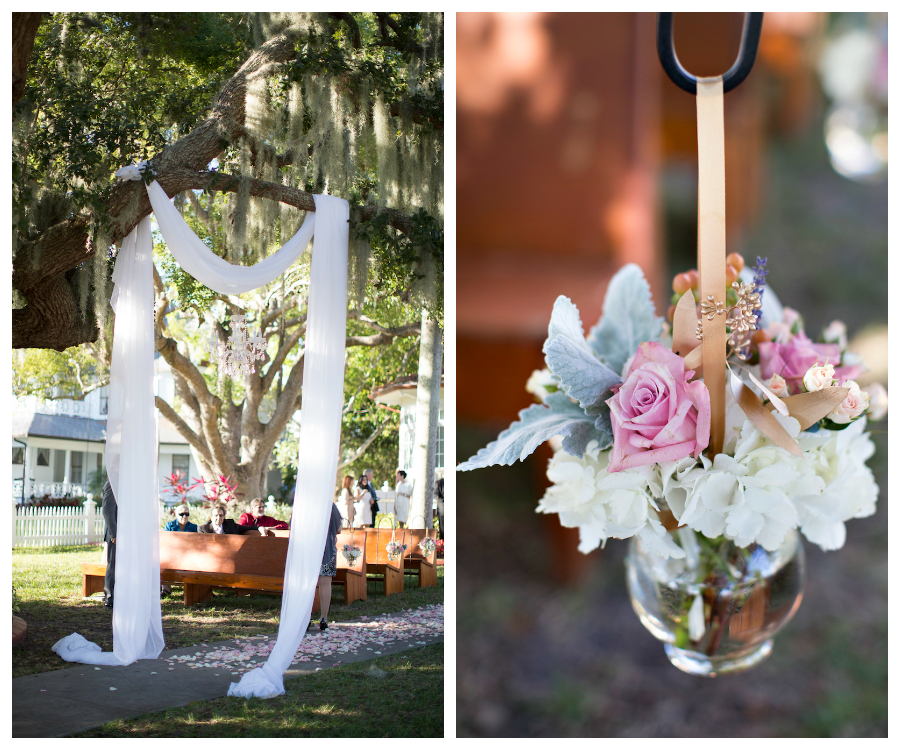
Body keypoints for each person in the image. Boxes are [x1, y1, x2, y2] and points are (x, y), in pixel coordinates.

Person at [313, 500, 344, 631]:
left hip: (307, 551)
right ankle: (323, 619)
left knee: (308, 583)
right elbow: (338, 529)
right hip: (326, 549)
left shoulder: (304, 503)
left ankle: (304, 618)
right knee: (325, 583)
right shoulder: (329, 505)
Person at [101, 478, 117, 608]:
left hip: (125, 531)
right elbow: (107, 510)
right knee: (113, 563)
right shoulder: (112, 483)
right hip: (115, 532)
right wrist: (114, 533)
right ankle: (109, 597)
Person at [435, 476, 444, 540]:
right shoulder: (439, 482)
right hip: (442, 508)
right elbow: (435, 494)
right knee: (442, 528)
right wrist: (442, 500)